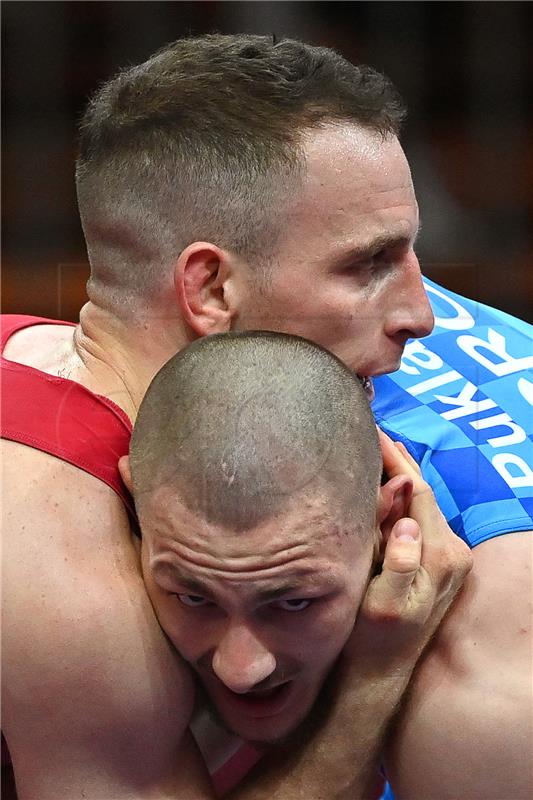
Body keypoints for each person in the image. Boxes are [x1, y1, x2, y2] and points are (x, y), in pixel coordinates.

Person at [0, 31, 528, 799]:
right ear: (211, 290)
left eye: (411, 258)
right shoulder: (52, 566)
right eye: (367, 264)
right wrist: (372, 685)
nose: (424, 313)